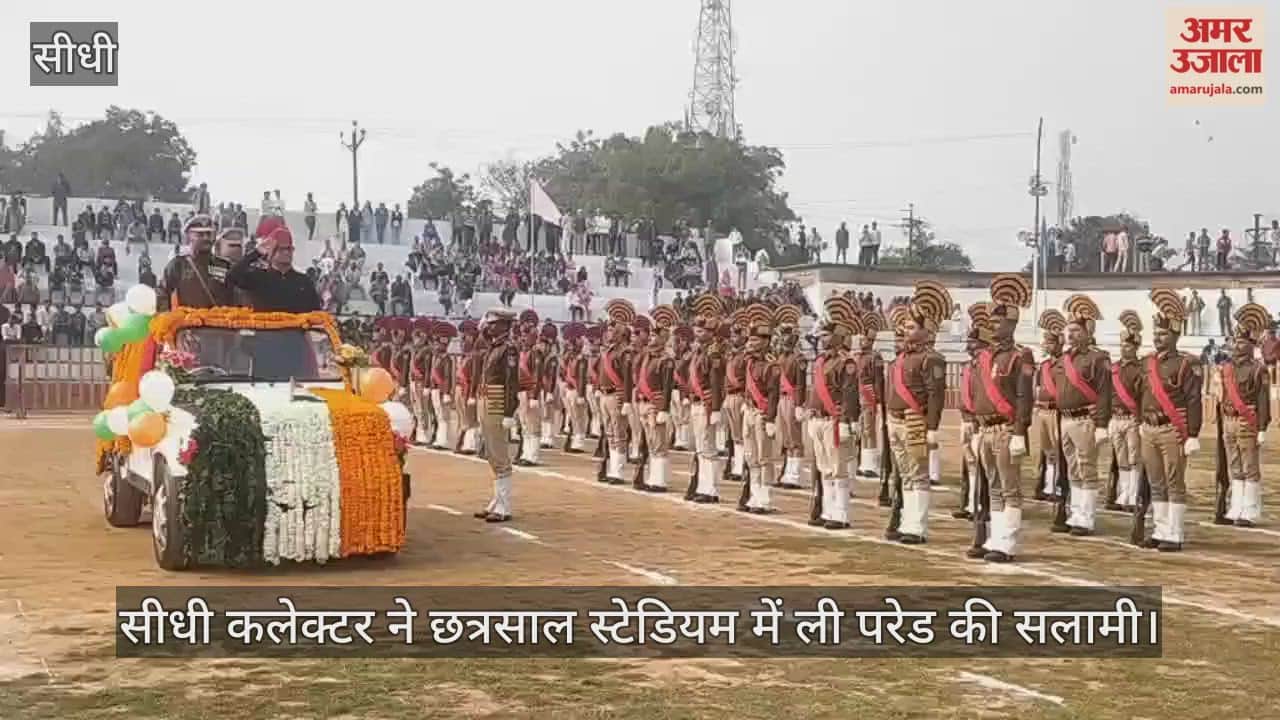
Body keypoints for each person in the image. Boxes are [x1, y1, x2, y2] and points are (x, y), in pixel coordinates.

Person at [971, 275, 1034, 562]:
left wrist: (1020, 431)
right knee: (994, 488)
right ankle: (996, 538)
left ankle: (1007, 543)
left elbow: (1023, 397)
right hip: (985, 429)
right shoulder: (985, 357)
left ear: (1011, 324)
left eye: (998, 322)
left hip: (1006, 429)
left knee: (1009, 488)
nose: (993, 326)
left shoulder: (1021, 356)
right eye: (992, 322)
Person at [1138, 289, 1202, 551]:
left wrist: (1193, 434)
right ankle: (1160, 529)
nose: (1158, 338)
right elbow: (1140, 396)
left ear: (1175, 335)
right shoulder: (1147, 363)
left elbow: (1193, 399)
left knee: (1174, 481)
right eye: (1156, 333)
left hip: (1171, 428)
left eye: (1163, 334)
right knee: (1156, 482)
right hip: (1149, 428)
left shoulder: (1187, 364)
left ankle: (1174, 533)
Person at [885, 282, 948, 544]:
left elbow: (936, 395)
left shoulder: (931, 359)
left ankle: (917, 525)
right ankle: (907, 520)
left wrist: (932, 427)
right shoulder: (900, 358)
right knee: (906, 474)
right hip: (894, 420)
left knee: (918, 474)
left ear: (926, 331)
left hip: (914, 420)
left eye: (911, 327)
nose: (905, 330)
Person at [1053, 295, 1112, 537]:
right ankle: (1075, 512)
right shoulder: (1064, 359)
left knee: (1087, 468)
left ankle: (1086, 517)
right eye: (1069, 329)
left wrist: (1101, 424)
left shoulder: (1098, 358)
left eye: (1076, 329)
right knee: (1072, 469)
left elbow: (1104, 393)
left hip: (1084, 419)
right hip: (1065, 419)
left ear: (1088, 331)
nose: (1071, 334)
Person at [1218, 303, 1270, 528]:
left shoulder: (1258, 369)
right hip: (1229, 421)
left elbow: (1262, 400)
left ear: (1251, 346)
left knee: (1249, 467)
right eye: (1235, 341)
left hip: (1246, 421)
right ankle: (1235, 506)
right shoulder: (1227, 368)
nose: (1237, 345)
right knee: (1234, 465)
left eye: (1242, 342)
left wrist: (1262, 428)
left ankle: (1249, 510)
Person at [472, 309, 520, 523]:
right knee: (490, 452)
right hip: (486, 396)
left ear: (504, 326)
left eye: (493, 324)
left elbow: (511, 382)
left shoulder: (508, 349)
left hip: (497, 398)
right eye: (488, 323)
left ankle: (504, 506)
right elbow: (478, 341)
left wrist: (509, 411)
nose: (489, 327)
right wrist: (481, 327)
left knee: (499, 453)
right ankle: (496, 500)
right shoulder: (494, 346)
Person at [737, 309, 782, 514]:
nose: (751, 343)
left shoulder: (770, 365)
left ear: (765, 341)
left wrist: (771, 418)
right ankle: (754, 495)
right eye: (750, 339)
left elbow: (773, 393)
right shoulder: (749, 361)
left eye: (755, 339)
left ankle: (764, 498)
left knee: (764, 458)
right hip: (748, 411)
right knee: (751, 457)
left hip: (762, 413)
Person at [686, 294, 727, 503]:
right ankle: (703, 486)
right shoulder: (698, 352)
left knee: (708, 448)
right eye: (696, 329)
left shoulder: (713, 354)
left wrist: (717, 408)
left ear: (711, 333)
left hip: (706, 404)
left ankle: (710, 489)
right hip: (696, 403)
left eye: (701, 330)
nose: (696, 333)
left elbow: (716, 383)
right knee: (701, 448)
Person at [227, 226, 322, 313]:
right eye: (281, 249)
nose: (286, 252)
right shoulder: (259, 277)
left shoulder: (304, 281)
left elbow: (316, 313)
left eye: (289, 249)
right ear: (271, 252)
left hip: (296, 330)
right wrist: (256, 253)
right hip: (264, 330)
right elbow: (231, 276)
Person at [1108, 311, 1144, 513]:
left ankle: (1134, 493)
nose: (1124, 349)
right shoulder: (1113, 368)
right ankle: (1124, 493)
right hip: (1115, 417)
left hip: (1132, 418)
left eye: (1128, 346)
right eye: (1122, 345)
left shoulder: (1140, 369)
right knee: (1121, 459)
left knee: (1134, 458)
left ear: (1135, 348)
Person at [158, 215, 232, 310]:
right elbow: (162, 293)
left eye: (209, 234)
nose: (206, 238)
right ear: (189, 237)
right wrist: (166, 317)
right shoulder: (178, 264)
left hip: (218, 322)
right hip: (189, 322)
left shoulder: (223, 265)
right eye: (200, 235)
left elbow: (234, 295)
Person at [1033, 309, 1066, 501]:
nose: (1047, 345)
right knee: (1046, 452)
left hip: (1056, 411)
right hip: (1043, 411)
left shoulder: (1064, 363)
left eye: (1051, 342)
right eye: (1046, 342)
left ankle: (1058, 486)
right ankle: (1047, 485)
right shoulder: (1044, 365)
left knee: (1057, 450)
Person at [773, 312, 807, 489]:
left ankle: (795, 475)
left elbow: (800, 384)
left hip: (792, 399)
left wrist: (800, 405)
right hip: (781, 398)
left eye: (787, 335)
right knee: (785, 437)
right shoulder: (781, 358)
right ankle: (787, 472)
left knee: (795, 437)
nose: (784, 339)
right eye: (783, 335)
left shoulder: (798, 359)